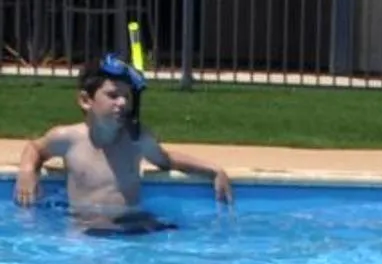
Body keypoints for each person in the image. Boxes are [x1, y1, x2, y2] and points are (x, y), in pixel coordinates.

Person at [14, 53, 234, 229]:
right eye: (112, 95)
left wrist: (214, 170)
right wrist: (26, 172)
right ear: (85, 100)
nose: (121, 103)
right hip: (86, 227)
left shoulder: (136, 139)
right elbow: (35, 148)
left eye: (126, 97)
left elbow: (166, 159)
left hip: (132, 224)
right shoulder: (69, 139)